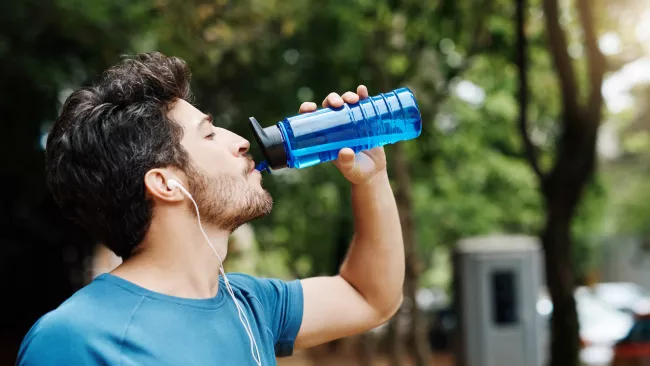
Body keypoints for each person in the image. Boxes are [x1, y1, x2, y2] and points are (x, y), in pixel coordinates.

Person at [16, 52, 404, 365]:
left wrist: (371, 178)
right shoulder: (77, 340)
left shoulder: (250, 305)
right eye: (210, 133)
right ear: (166, 184)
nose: (240, 142)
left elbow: (370, 297)